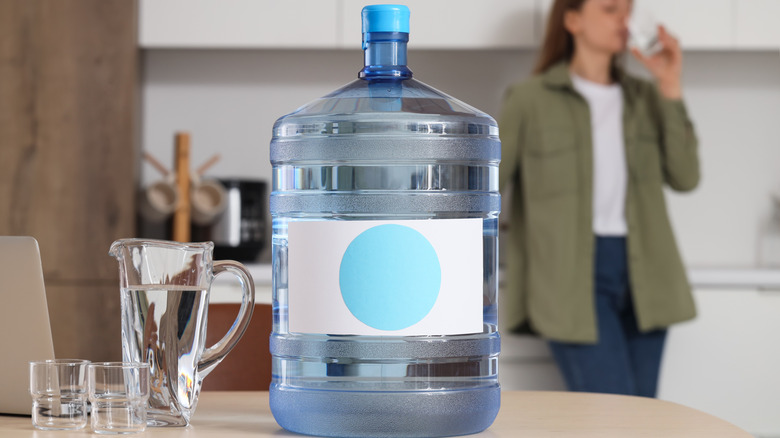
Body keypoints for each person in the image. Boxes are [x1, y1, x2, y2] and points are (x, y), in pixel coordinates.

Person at [498, 0, 700, 397]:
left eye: (628, 10)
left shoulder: (646, 96)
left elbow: (686, 177)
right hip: (571, 278)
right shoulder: (528, 100)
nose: (625, 19)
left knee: (644, 414)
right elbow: (486, 187)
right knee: (612, 414)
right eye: (610, 9)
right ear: (573, 20)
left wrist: (670, 83)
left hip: (647, 273)